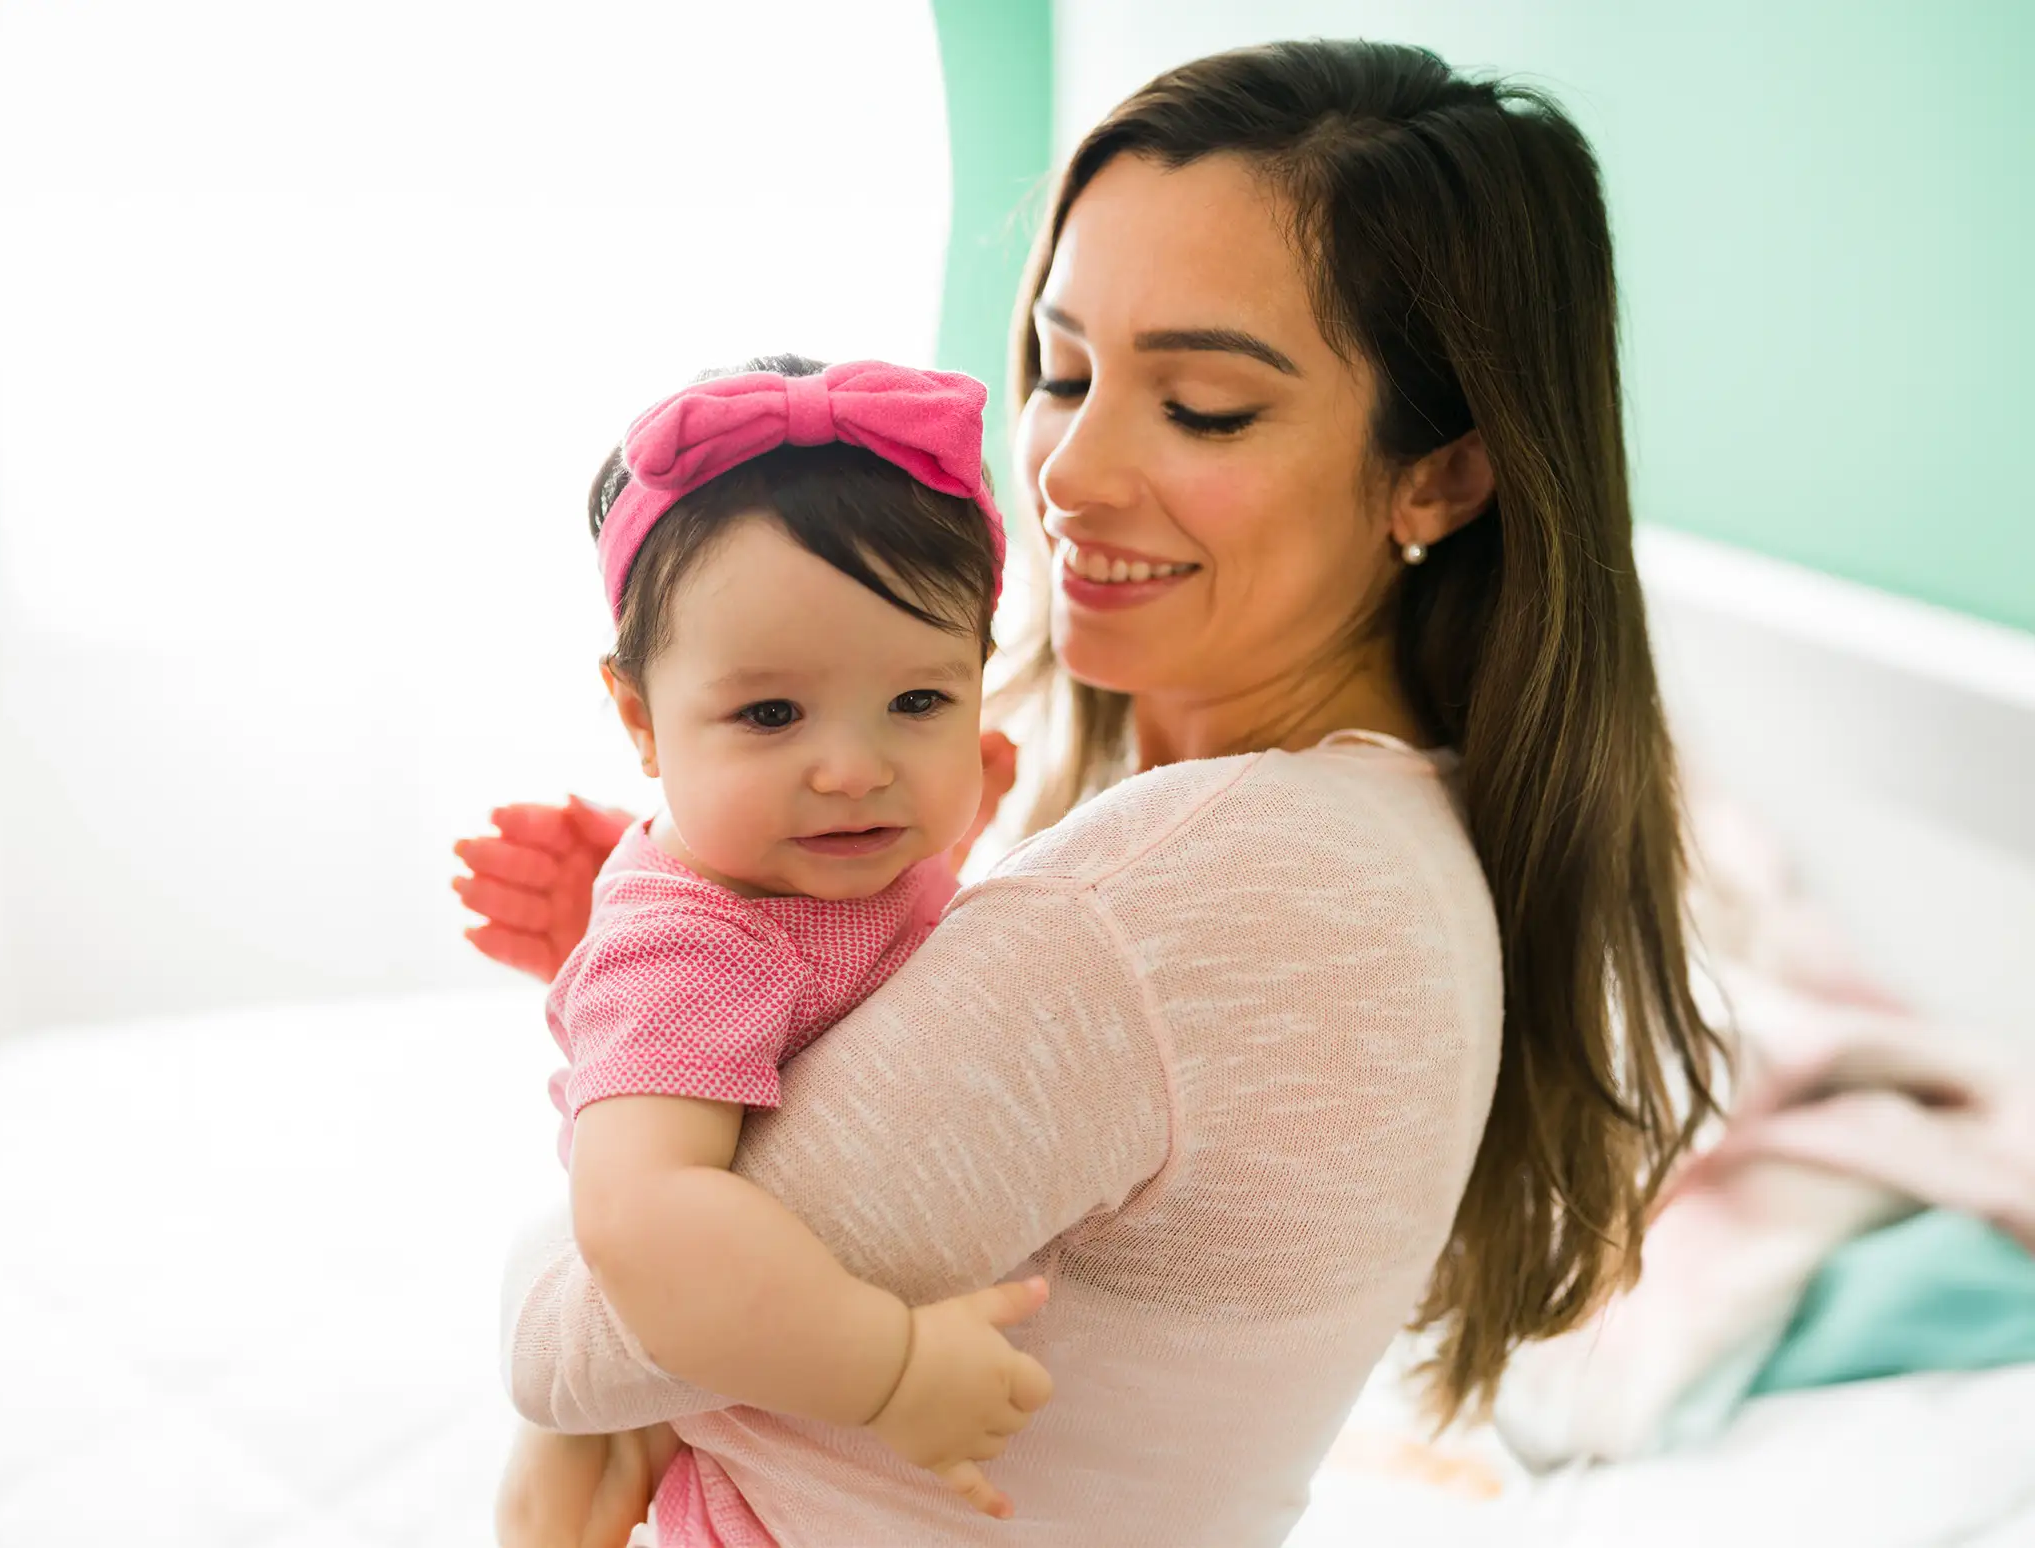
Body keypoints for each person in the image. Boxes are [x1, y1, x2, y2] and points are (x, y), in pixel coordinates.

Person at [460, 39, 1722, 1546]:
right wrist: (717, 947)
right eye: (1062, 370)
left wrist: (638, 1014)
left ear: (1441, 476)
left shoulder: (1204, 889)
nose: (1067, 473)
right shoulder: (1369, 830)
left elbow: (576, 1335)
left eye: (1203, 408)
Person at [484, 354, 1046, 1548]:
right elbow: (642, 1217)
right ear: (638, 721)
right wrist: (888, 1371)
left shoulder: (832, 858)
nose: (854, 769)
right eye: (771, 715)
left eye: (918, 703)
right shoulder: (695, 942)